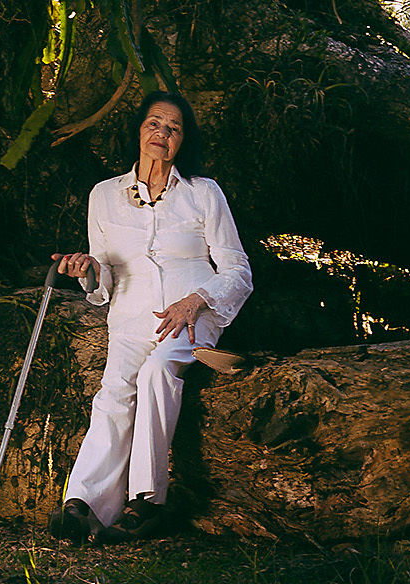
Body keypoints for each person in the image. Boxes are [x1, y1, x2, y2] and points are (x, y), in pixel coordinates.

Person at [48, 88, 252, 545]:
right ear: (139, 132)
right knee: (114, 390)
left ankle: (147, 501)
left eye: (174, 128)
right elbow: (103, 278)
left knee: (158, 371)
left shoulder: (203, 193)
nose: (162, 133)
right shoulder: (104, 195)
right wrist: (87, 271)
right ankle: (82, 506)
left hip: (192, 316)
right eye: (154, 124)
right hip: (130, 317)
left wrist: (197, 300)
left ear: (182, 142)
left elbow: (238, 268)